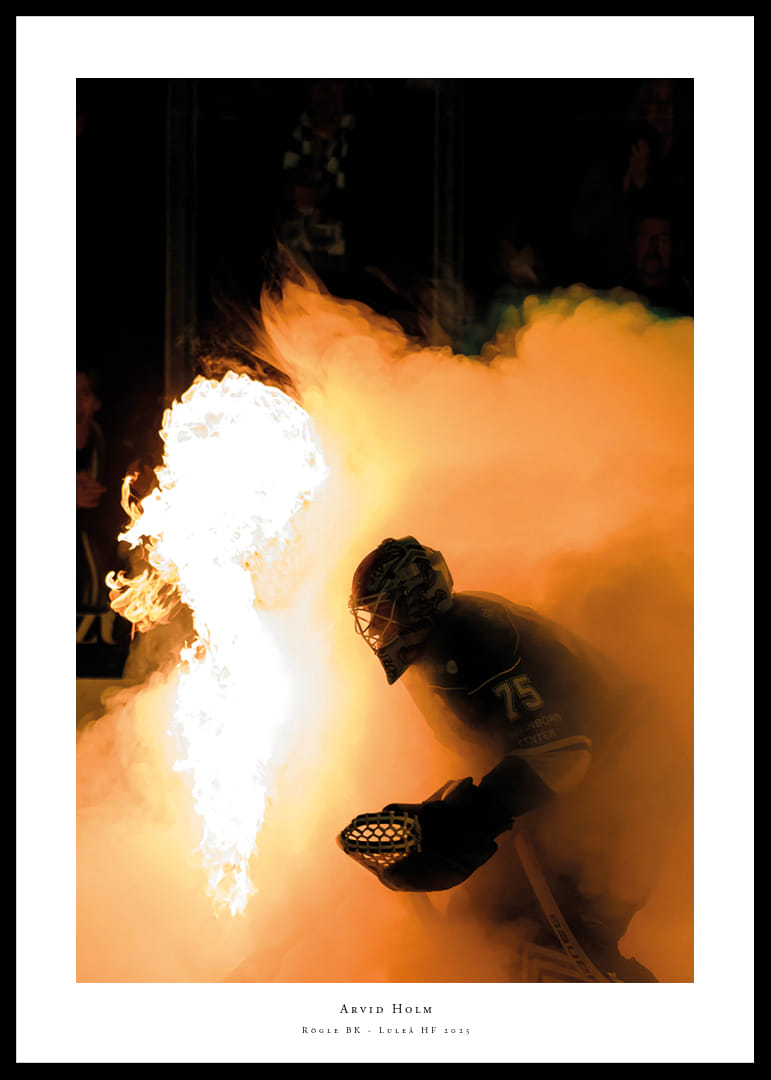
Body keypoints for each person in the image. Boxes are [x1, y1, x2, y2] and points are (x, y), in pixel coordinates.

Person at [339, 536, 660, 982]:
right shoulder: (449, 640)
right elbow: (517, 747)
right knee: (483, 921)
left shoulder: (472, 641)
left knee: (554, 943)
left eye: (384, 612)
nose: (377, 627)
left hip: (632, 793)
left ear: (417, 599)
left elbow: (565, 751)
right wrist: (458, 810)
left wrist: (473, 816)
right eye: (372, 616)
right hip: (593, 794)